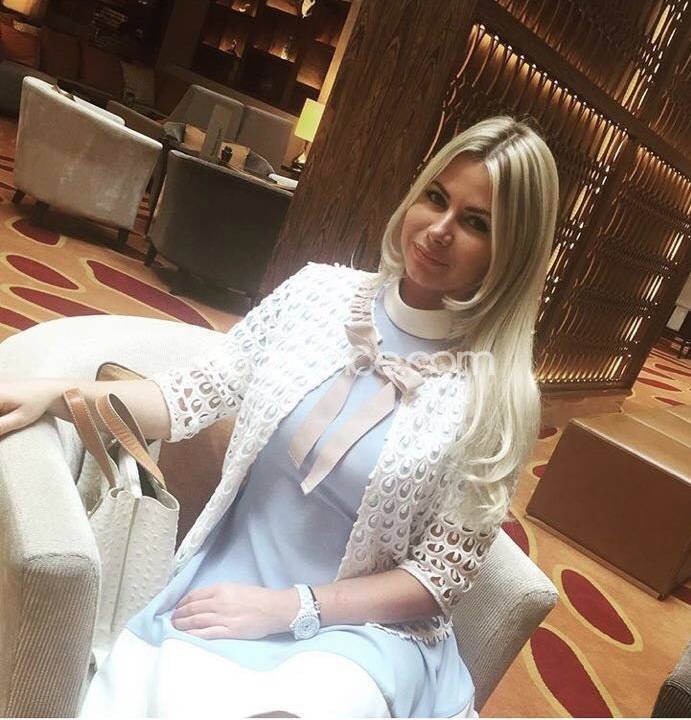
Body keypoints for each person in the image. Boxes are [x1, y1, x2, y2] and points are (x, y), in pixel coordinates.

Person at [0, 115, 559, 718]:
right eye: (436, 198)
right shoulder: (316, 294)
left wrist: (292, 608)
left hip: (363, 635)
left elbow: (436, 579)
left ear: (511, 254)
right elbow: (186, 396)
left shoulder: (498, 397)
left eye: (476, 223)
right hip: (228, 581)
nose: (439, 230)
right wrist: (61, 393)